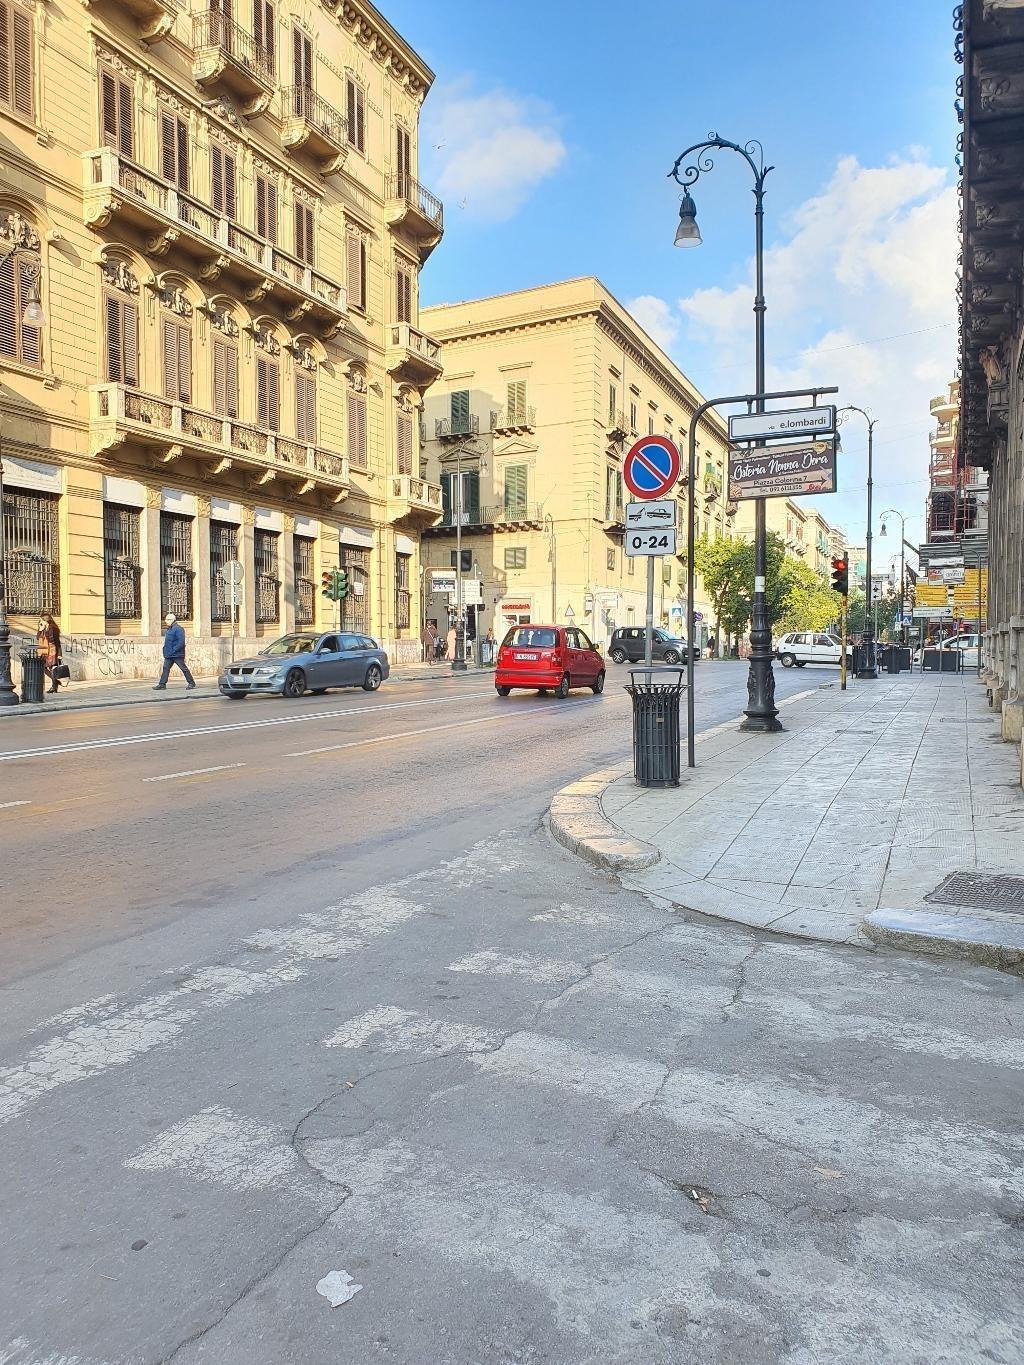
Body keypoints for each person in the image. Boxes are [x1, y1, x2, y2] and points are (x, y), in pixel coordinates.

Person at [154, 613, 196, 690]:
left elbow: (181, 642)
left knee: (183, 668)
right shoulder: (169, 629)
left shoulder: (179, 629)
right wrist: (165, 650)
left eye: (167, 620)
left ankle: (191, 683)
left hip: (177, 654)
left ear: (172, 620)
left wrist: (174, 650)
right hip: (169, 654)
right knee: (165, 668)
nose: (165, 621)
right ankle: (162, 684)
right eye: (165, 620)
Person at [36, 614, 62, 693]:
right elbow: (38, 638)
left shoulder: (53, 628)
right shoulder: (43, 628)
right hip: (44, 651)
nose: (40, 622)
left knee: (52, 668)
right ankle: (55, 681)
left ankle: (54, 687)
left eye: (41, 620)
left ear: (46, 620)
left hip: (52, 649)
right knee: (42, 667)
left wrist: (59, 654)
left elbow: (54, 640)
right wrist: (40, 630)